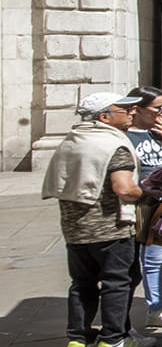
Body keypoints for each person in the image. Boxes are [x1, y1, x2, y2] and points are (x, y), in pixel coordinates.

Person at [43, 91, 145, 347]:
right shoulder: (112, 144)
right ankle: (112, 339)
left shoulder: (71, 140)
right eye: (125, 109)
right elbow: (123, 188)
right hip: (111, 228)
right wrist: (145, 194)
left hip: (75, 228)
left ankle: (77, 338)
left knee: (81, 284)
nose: (132, 112)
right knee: (117, 283)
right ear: (104, 117)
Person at [123, 87, 162, 329]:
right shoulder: (127, 135)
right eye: (158, 107)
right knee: (152, 258)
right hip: (144, 204)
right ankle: (156, 308)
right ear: (137, 109)